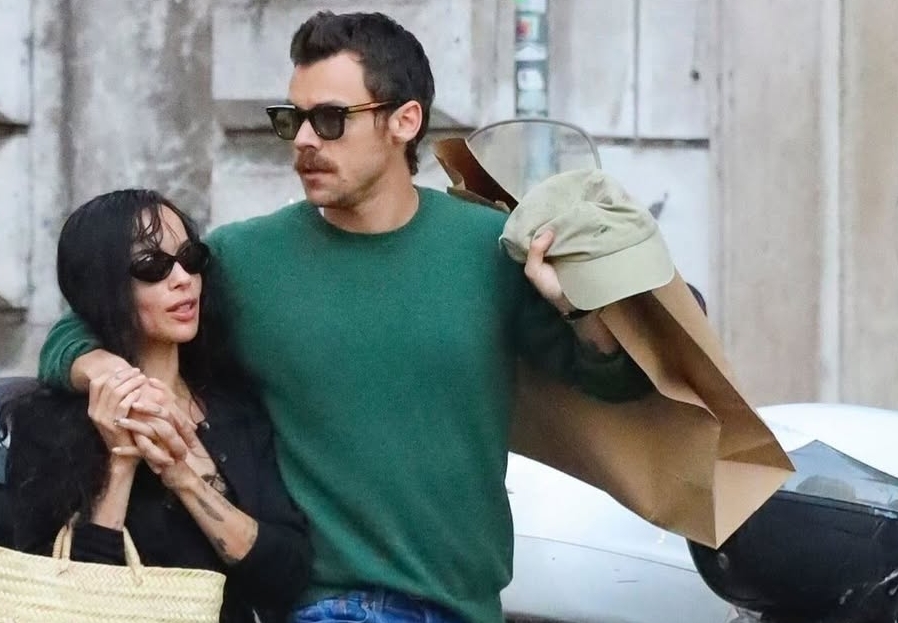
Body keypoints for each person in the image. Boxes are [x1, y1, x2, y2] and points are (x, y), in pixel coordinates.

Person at [38, 12, 652, 623]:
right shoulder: (246, 258)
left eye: (330, 120)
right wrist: (106, 375)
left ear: (404, 121)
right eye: (292, 119)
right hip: (320, 602)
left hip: (462, 605)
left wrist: (574, 302)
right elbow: (90, 322)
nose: (305, 140)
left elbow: (615, 381)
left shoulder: (488, 247)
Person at [0, 189, 311, 623]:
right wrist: (121, 461)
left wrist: (183, 477)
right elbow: (68, 604)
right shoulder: (46, 425)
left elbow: (286, 574)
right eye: (152, 265)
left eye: (190, 257)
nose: (182, 278)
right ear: (102, 286)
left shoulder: (233, 407)